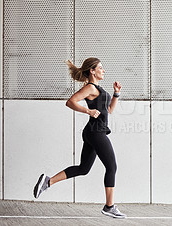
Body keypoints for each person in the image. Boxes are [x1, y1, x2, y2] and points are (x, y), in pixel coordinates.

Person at [33, 57, 126, 219]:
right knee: (112, 167)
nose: (104, 71)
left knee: (83, 169)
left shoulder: (97, 88)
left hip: (95, 132)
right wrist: (88, 111)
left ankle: (48, 181)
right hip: (96, 132)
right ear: (92, 71)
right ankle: (109, 206)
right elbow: (70, 102)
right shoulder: (90, 88)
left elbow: (109, 110)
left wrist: (116, 94)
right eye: (101, 68)